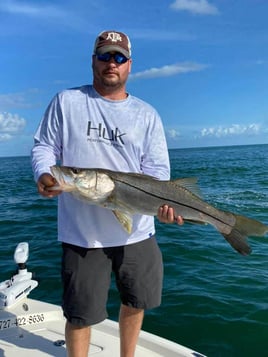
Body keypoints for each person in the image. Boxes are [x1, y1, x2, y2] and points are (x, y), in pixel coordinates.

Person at [31, 30, 183, 357]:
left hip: (138, 233)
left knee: (135, 302)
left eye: (119, 57)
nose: (111, 63)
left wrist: (164, 205)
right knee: (80, 314)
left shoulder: (147, 114)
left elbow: (158, 172)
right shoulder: (67, 102)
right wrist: (44, 172)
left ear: (129, 65)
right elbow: (44, 146)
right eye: (104, 56)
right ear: (93, 61)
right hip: (82, 237)